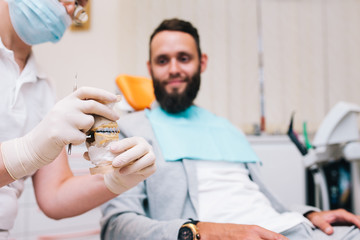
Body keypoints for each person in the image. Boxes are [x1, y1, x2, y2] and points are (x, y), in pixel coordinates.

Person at [100, 18, 360, 240]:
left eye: (184, 58)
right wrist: (198, 231)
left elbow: (262, 204)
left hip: (289, 229)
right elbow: (115, 226)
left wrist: (310, 215)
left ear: (202, 63)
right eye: (162, 60)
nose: (174, 69)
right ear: (150, 69)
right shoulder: (129, 131)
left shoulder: (226, 129)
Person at [0, 0, 156, 238]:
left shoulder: (43, 88)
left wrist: (116, 180)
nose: (70, 9)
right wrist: (28, 150)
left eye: (79, 3)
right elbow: (29, 153)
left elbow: (54, 196)